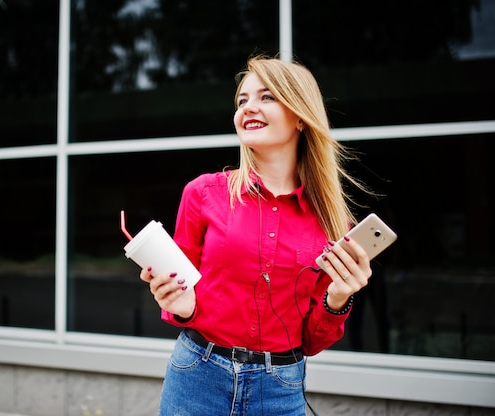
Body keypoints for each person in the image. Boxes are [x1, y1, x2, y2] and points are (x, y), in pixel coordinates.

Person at [140, 55, 374, 416]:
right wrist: (180, 307)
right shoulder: (203, 193)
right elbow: (179, 303)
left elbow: (313, 340)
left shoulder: (333, 223)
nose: (248, 107)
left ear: (299, 116)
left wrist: (339, 296)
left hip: (280, 389)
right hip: (197, 376)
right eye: (242, 100)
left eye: (266, 97)